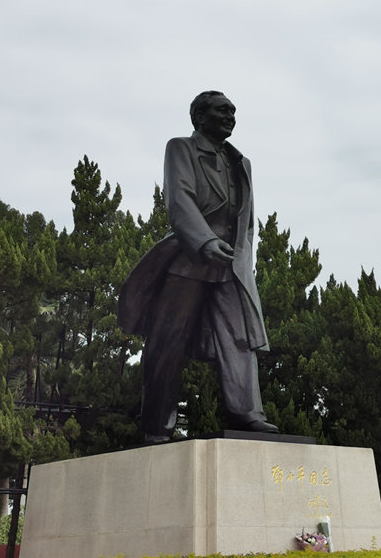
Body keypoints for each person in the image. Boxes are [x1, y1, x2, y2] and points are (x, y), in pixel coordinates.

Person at [117, 90, 278, 443]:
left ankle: (248, 413)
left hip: (230, 266)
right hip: (188, 261)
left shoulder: (242, 162)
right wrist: (204, 241)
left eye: (233, 111)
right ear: (199, 117)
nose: (231, 116)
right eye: (222, 110)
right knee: (166, 343)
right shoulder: (181, 149)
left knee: (239, 338)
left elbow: (248, 220)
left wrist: (243, 259)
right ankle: (157, 425)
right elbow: (179, 199)